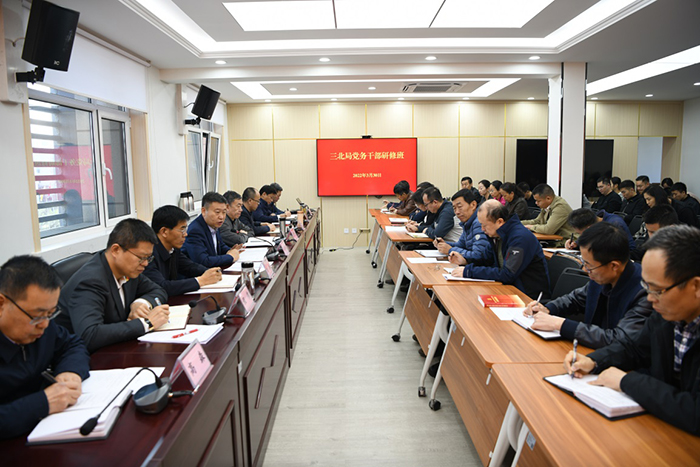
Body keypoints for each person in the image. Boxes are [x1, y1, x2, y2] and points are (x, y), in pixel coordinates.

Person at [565, 225, 700, 436]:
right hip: (661, 426)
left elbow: (695, 412)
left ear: (696, 287)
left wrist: (625, 381)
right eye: (646, 287)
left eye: (657, 290)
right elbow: (634, 348)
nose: (650, 298)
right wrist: (594, 360)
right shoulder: (667, 315)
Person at [0, 255, 90, 440]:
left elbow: (72, 344)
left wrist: (70, 371)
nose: (45, 325)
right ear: (2, 304)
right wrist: (43, 403)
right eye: (38, 315)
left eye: (51, 313)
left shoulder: (42, 325)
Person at [524, 222, 652, 348]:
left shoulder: (645, 291)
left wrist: (561, 324)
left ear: (614, 266)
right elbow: (576, 298)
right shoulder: (602, 276)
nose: (585, 270)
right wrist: (548, 308)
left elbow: (620, 340)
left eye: (589, 265)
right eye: (584, 263)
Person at [56, 219, 169, 353]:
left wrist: (141, 303)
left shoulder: (128, 270)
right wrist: (147, 323)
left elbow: (158, 290)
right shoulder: (90, 281)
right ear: (116, 250)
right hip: (78, 356)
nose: (145, 264)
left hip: (115, 348)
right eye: (142, 257)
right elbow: (90, 335)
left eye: (148, 258)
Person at [452, 200, 550, 299]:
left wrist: (469, 272)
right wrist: (465, 261)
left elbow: (507, 274)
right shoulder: (497, 234)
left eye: (484, 225)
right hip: (508, 289)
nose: (482, 229)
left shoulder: (520, 238)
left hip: (528, 297)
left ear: (499, 222)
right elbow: (485, 259)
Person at [143, 205, 222, 297]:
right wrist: (200, 281)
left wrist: (211, 272)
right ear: (164, 231)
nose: (185, 234)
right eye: (182, 230)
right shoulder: (147, 254)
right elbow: (161, 286)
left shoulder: (173, 248)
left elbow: (189, 267)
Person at [434, 189, 493, 267]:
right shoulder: (467, 222)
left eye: (460, 207)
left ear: (473, 205)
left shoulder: (479, 223)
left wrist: (450, 250)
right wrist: (444, 244)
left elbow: (478, 255)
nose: (457, 212)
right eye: (454, 208)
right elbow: (460, 245)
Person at [182, 192, 241, 269]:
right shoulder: (195, 230)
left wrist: (232, 251)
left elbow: (220, 246)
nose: (221, 217)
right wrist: (230, 257)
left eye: (224, 212)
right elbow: (203, 261)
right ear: (203, 211)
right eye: (217, 212)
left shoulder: (214, 224)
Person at [565, 208, 636, 253]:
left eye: (580, 233)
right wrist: (576, 244)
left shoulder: (614, 225)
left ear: (588, 228)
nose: (581, 236)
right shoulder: (595, 221)